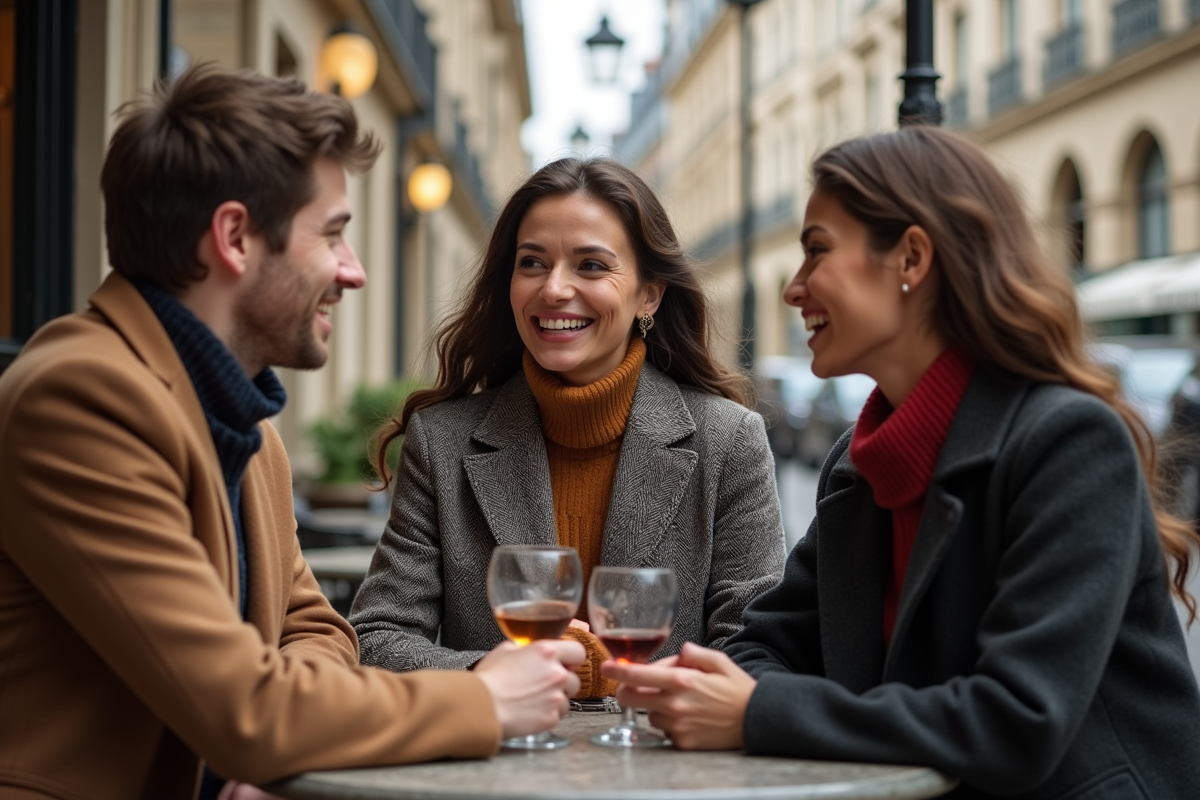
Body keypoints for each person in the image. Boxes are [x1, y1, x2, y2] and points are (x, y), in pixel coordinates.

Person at [0, 65, 584, 800]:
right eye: (334, 235)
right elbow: (244, 707)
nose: (355, 271)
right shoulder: (81, 396)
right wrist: (484, 699)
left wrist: (286, 732)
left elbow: (314, 632)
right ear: (236, 237)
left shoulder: (240, 415)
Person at [603, 127, 1200, 798]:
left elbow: (1017, 722)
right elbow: (758, 645)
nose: (793, 289)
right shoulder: (859, 465)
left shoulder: (1067, 442)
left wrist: (760, 712)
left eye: (817, 252)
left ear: (911, 256)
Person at [349, 157, 786, 697]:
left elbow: (755, 647)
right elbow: (376, 638)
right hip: (499, 768)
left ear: (649, 293)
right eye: (532, 262)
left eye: (592, 266)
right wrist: (495, 679)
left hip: (663, 770)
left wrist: (603, 671)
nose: (554, 289)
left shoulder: (729, 441)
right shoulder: (441, 442)